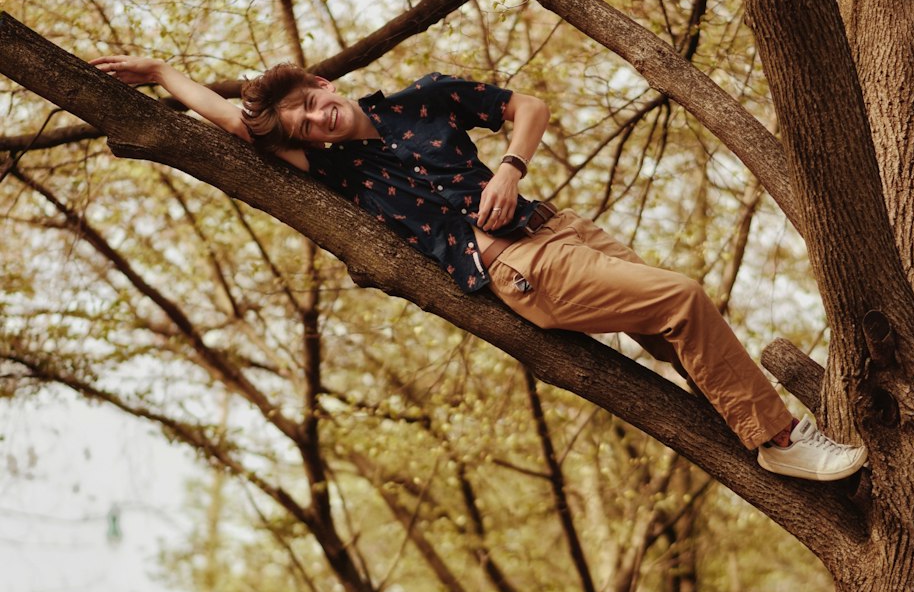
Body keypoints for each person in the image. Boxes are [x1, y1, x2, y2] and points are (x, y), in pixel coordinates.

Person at [92, 55, 867, 482]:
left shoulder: (426, 99)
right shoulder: (336, 172)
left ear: (324, 85)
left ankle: (763, 436)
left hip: (560, 226)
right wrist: (165, 74)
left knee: (674, 337)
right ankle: (778, 440)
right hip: (518, 266)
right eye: (300, 127)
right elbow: (235, 121)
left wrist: (509, 167)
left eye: (310, 105)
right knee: (680, 299)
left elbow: (527, 104)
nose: (313, 124)